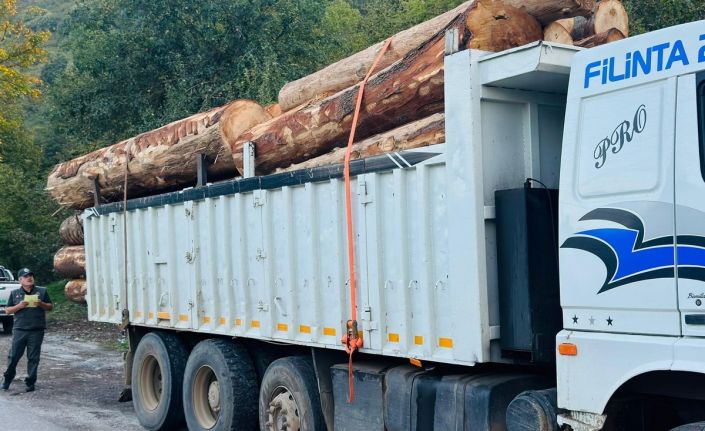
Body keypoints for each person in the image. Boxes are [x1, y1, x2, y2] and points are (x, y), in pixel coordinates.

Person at [2, 268, 53, 392]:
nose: (29, 278)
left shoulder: (42, 291)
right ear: (20, 280)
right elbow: (8, 310)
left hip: (36, 330)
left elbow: (50, 307)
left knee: (33, 357)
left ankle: (30, 382)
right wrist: (19, 306)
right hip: (20, 329)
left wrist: (41, 304)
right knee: (13, 356)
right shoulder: (14, 293)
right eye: (26, 276)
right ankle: (7, 380)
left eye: (30, 275)